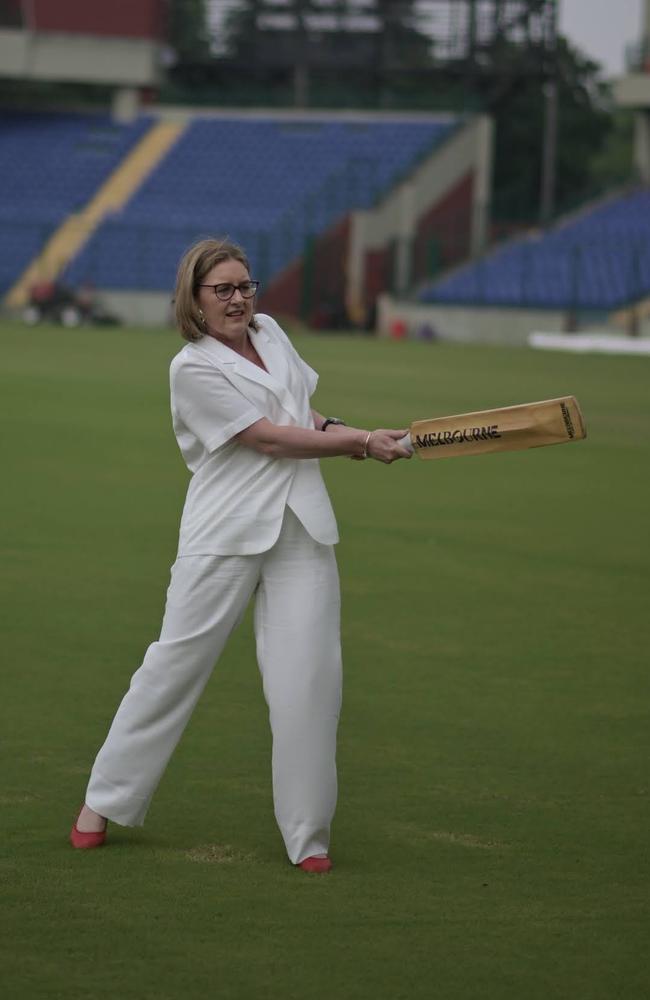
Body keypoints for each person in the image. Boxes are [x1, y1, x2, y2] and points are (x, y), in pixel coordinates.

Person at [70, 238, 411, 873]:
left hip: (301, 530)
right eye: (221, 290)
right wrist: (363, 445)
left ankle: (308, 837)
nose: (237, 299)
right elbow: (268, 439)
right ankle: (102, 801)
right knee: (174, 666)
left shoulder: (273, 333)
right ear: (194, 300)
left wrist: (356, 430)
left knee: (309, 680)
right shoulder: (191, 368)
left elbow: (301, 414)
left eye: (245, 286)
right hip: (222, 533)